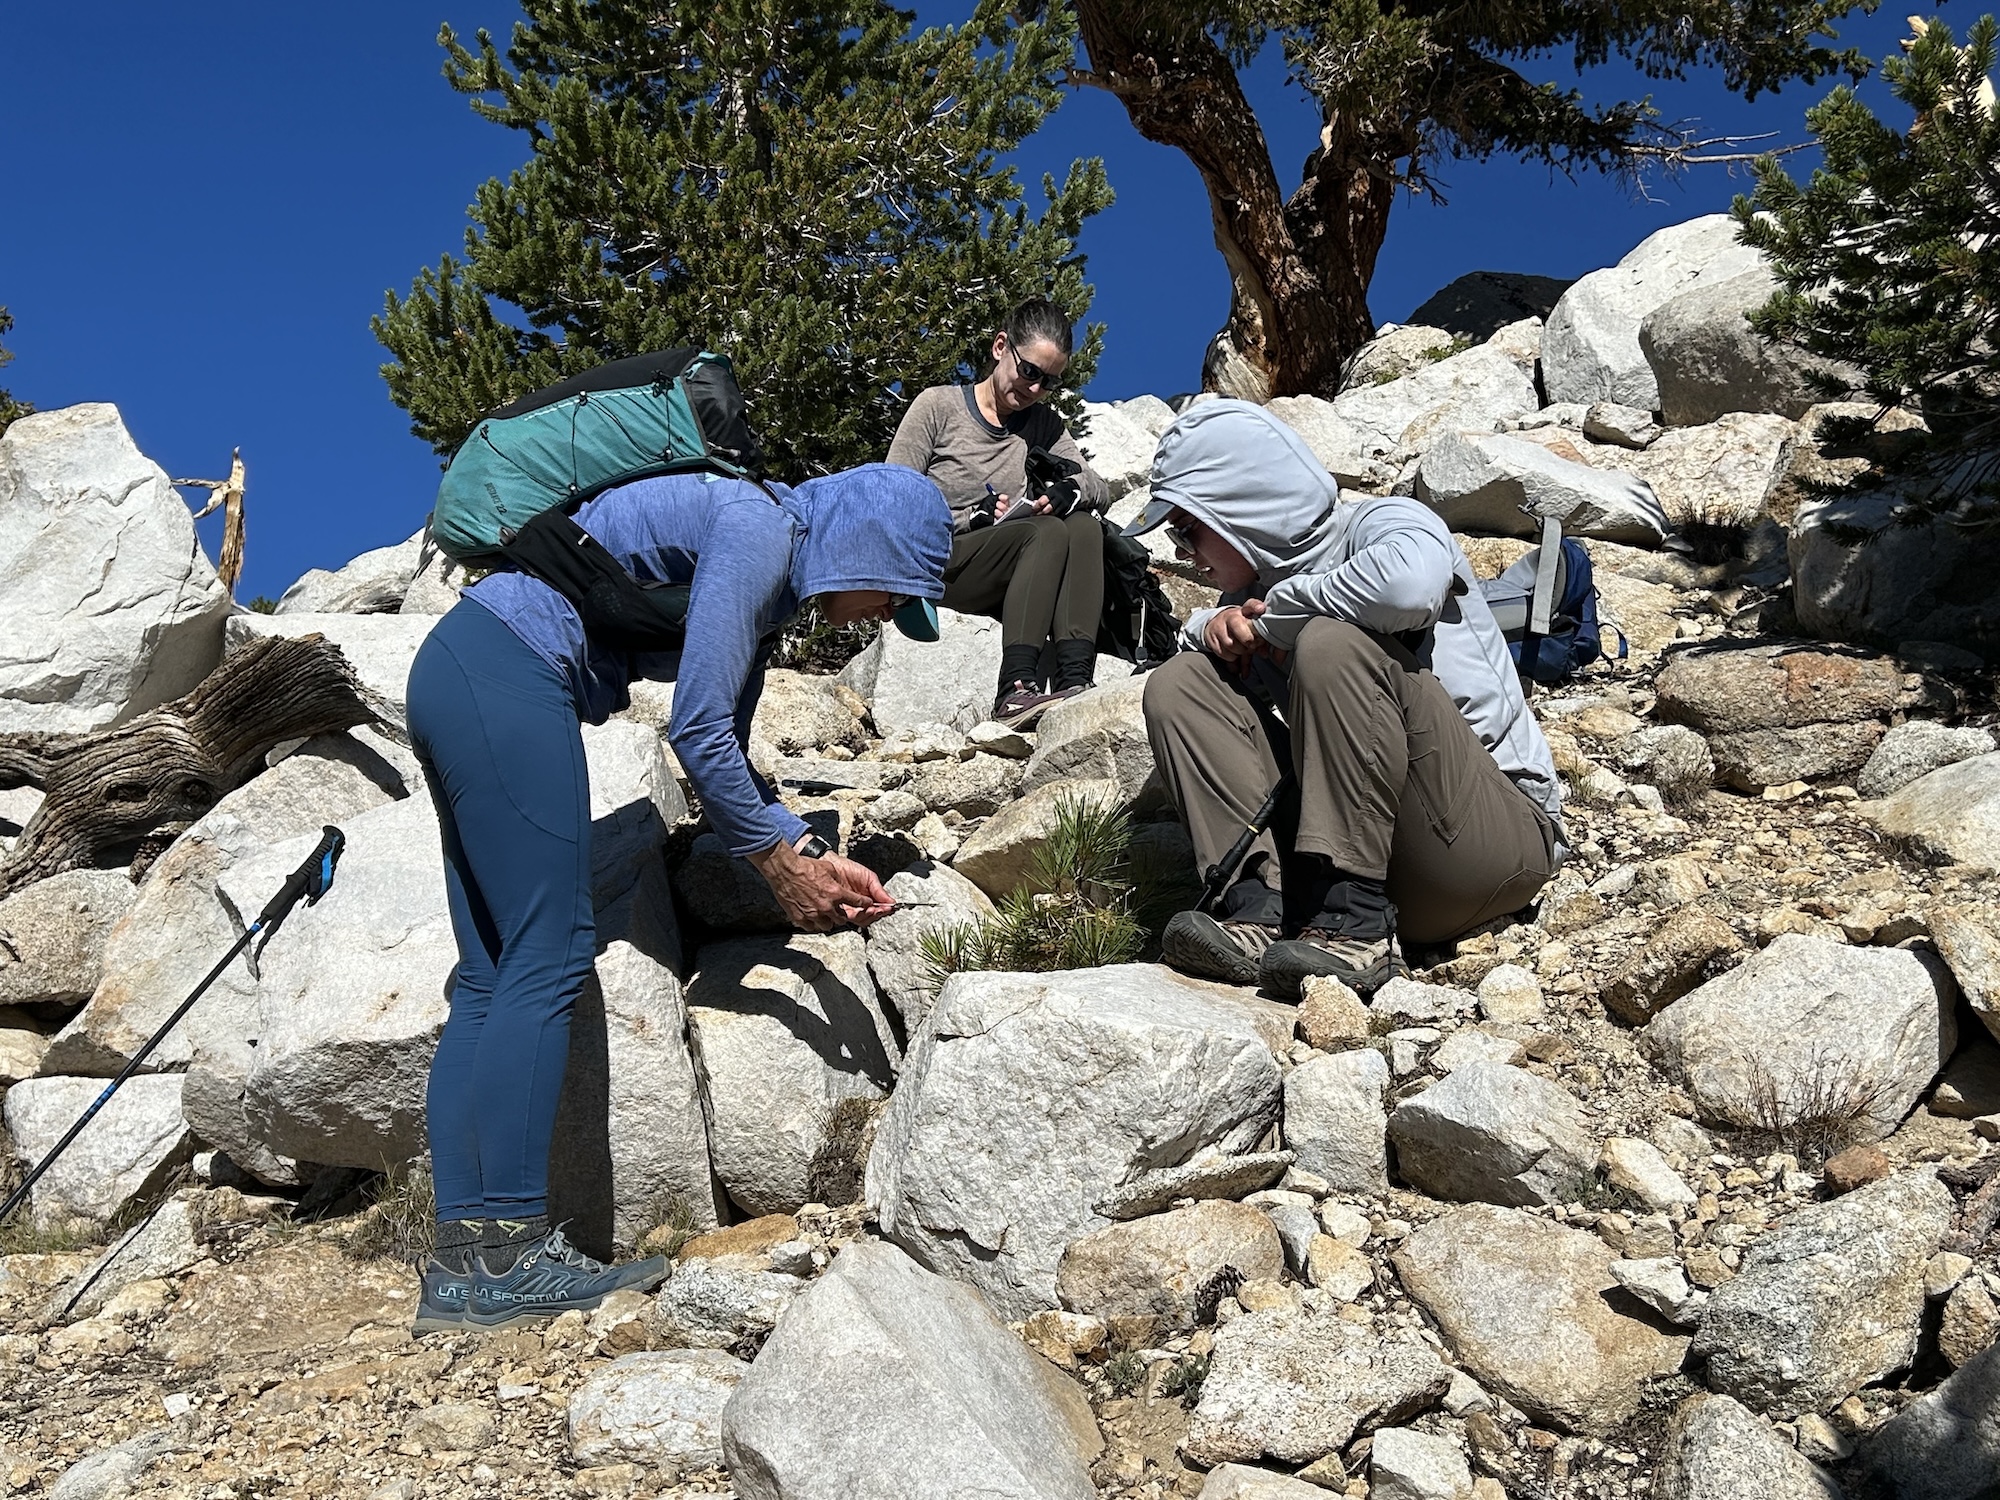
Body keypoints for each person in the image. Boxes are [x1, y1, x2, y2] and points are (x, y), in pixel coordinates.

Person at [404, 463, 953, 1332]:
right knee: (548, 953)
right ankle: (507, 1257)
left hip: (462, 668)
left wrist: (800, 848)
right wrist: (775, 868)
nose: (887, 616)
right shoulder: (760, 532)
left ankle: (466, 1269)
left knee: (491, 975)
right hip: (510, 672)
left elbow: (723, 740)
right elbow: (693, 729)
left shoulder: (766, 560)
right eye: (896, 594)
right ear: (868, 547)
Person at [1129, 401, 1565, 998]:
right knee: (1181, 684)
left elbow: (1409, 587)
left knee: (1330, 642)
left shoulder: (1383, 524)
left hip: (1488, 849)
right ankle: (1260, 903)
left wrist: (1281, 616)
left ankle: (1354, 926)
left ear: (1236, 507)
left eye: (1187, 527)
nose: (1185, 552)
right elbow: (1210, 667)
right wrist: (1212, 626)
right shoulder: (1256, 595)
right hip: (1388, 864)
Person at [888, 297, 1111, 727]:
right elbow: (890, 500)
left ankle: (1076, 678)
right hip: (940, 565)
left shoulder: (1043, 425)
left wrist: (1071, 489)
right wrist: (971, 519)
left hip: (1010, 569)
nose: (1033, 389)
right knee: (1043, 534)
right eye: (1029, 371)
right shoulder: (938, 407)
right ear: (1000, 347)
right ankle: (1015, 689)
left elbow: (1098, 486)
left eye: (1048, 383)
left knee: (1082, 526)